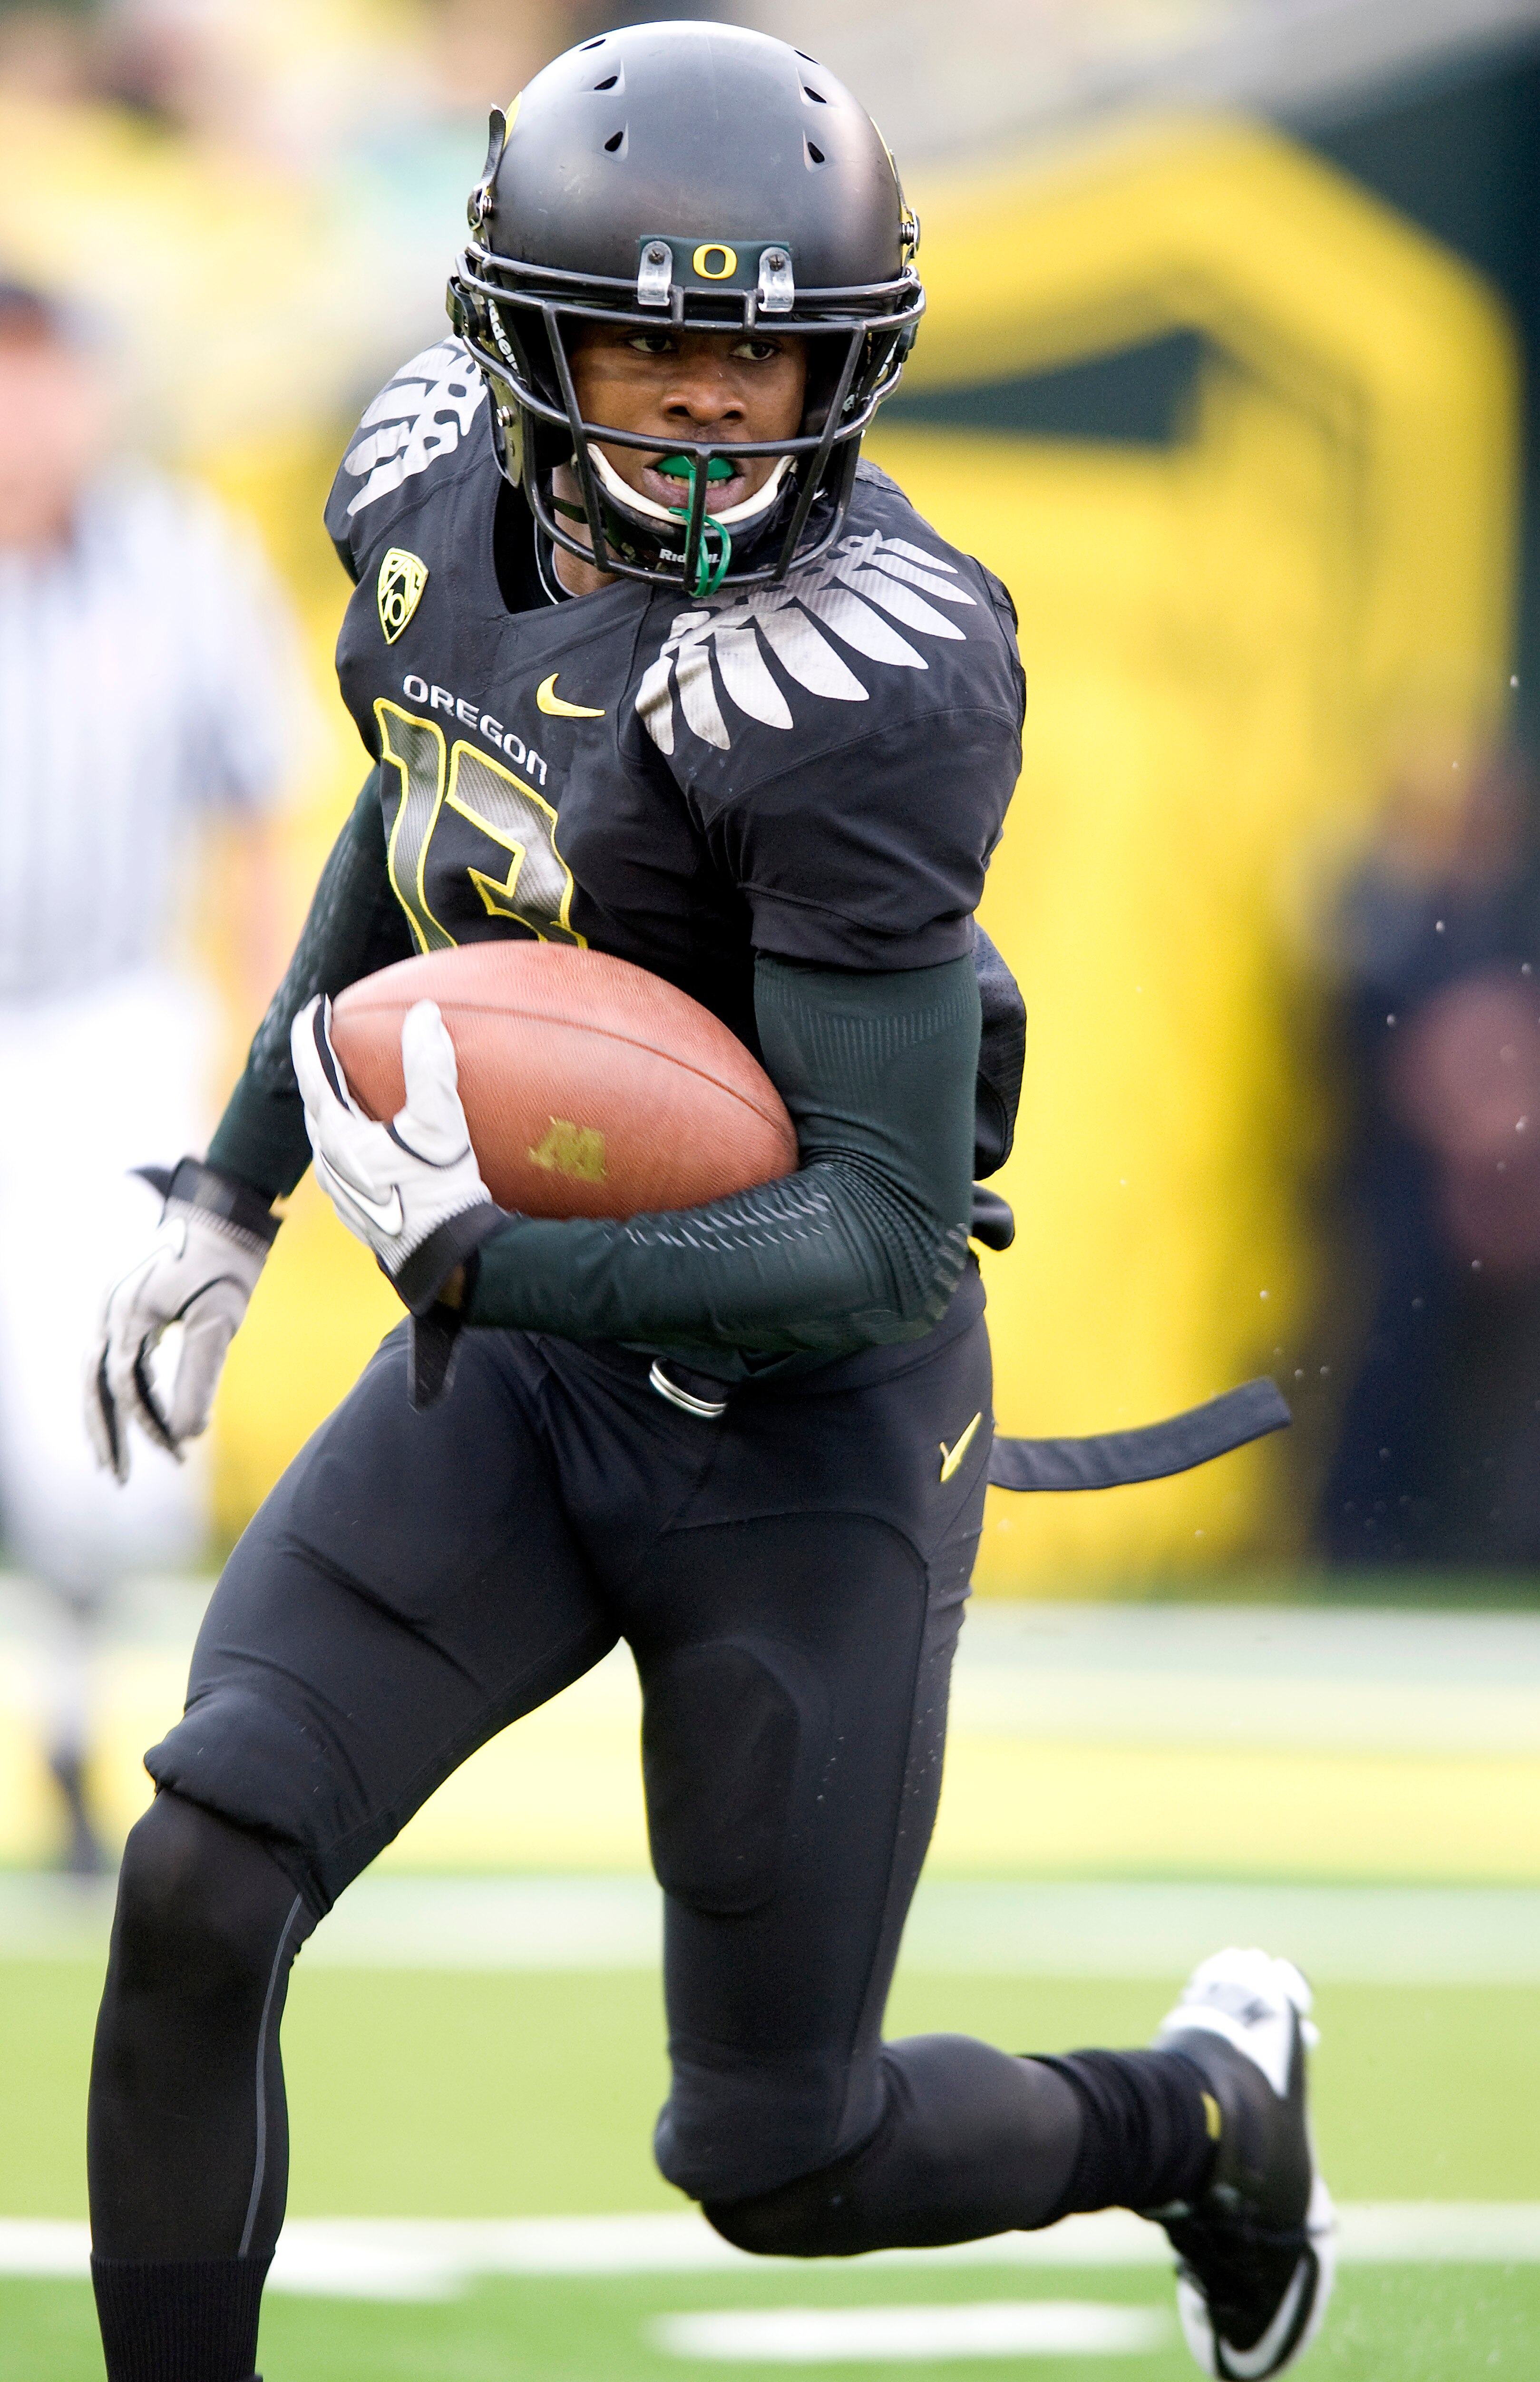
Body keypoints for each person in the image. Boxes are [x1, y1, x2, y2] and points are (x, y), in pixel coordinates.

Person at [82, 25, 1333, 2382]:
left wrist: (483, 1252)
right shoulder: (429, 497)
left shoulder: (874, 675)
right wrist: (235, 1189)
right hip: (539, 1371)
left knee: (783, 2155)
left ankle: (1206, 2117)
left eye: (761, 367)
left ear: (842, 372)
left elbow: (877, 1232)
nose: (706, 416)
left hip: (806, 1426)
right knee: (201, 1871)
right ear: (525, 346)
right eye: (651, 355)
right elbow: (422, 809)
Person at [0, 275, 311, 1868]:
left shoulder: (182, 561)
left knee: (104, 1420)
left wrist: (260, 1042)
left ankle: (73, 1727)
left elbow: (262, 810)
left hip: (107, 1023)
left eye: (42, 378)